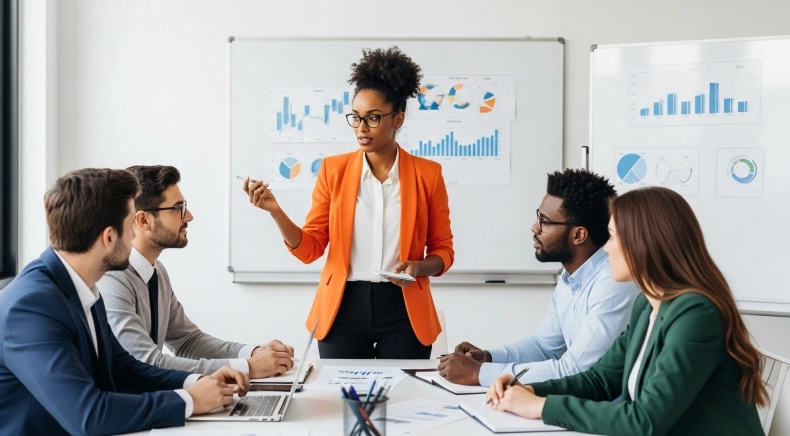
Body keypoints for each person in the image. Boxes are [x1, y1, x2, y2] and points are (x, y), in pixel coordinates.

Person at [487, 187, 766, 435]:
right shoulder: (648, 305)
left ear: (643, 244)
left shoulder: (696, 314)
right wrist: (530, 390)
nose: (605, 249)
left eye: (611, 238)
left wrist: (541, 407)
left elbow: (646, 420)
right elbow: (601, 380)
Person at [0, 168, 248, 435]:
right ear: (109, 237)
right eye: (129, 228)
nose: (135, 236)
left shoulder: (82, 284)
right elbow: (89, 415)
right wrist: (191, 400)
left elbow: (123, 369)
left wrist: (197, 382)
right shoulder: (31, 308)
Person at [242, 46, 454, 359]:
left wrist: (419, 266)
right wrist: (275, 211)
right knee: (343, 401)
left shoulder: (428, 174)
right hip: (342, 306)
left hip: (404, 308)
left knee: (400, 402)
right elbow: (311, 248)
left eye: (373, 118)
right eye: (355, 117)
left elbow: (443, 250)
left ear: (398, 119)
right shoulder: (333, 170)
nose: (361, 128)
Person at [438, 169, 640, 386]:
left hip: (606, 411)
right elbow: (544, 347)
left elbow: (577, 370)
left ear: (578, 235)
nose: (535, 227)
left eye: (545, 222)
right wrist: (488, 358)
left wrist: (480, 374)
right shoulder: (571, 275)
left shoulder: (613, 282)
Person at [98, 165, 295, 378]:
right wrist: (249, 367)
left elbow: (187, 341)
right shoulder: (112, 278)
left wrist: (254, 353)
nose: (188, 216)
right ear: (144, 220)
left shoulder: (157, 272)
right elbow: (147, 363)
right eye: (178, 208)